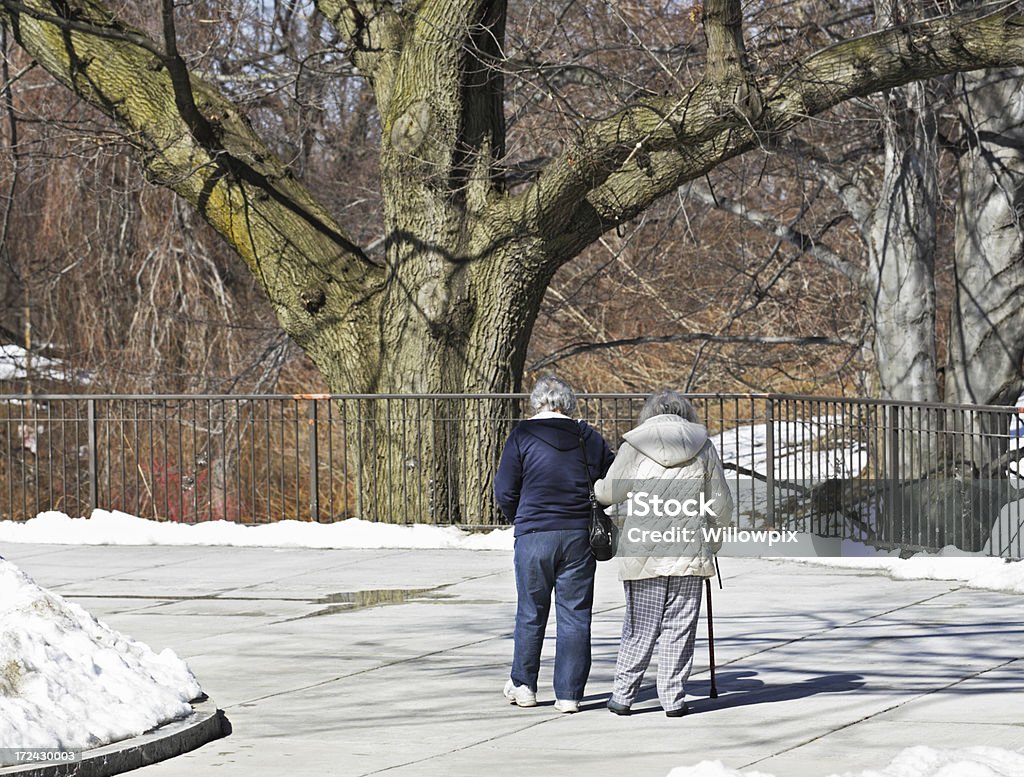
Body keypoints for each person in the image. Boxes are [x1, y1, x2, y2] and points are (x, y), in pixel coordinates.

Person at [594, 389, 733, 717]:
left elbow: (609, 493)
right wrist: (714, 534)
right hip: (689, 551)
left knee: (640, 625)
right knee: (680, 626)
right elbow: (722, 504)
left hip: (644, 551)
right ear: (686, 414)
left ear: (649, 415)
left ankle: (623, 696)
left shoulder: (635, 447)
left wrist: (596, 490)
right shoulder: (703, 447)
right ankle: (673, 698)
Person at [494, 375, 614, 713]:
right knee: (575, 615)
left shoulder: (522, 435)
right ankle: (570, 694)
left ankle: (524, 685)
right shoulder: (587, 437)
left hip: (534, 533)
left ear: (537, 403)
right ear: (568, 403)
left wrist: (520, 516)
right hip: (578, 535)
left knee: (531, 612)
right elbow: (608, 480)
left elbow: (504, 489)